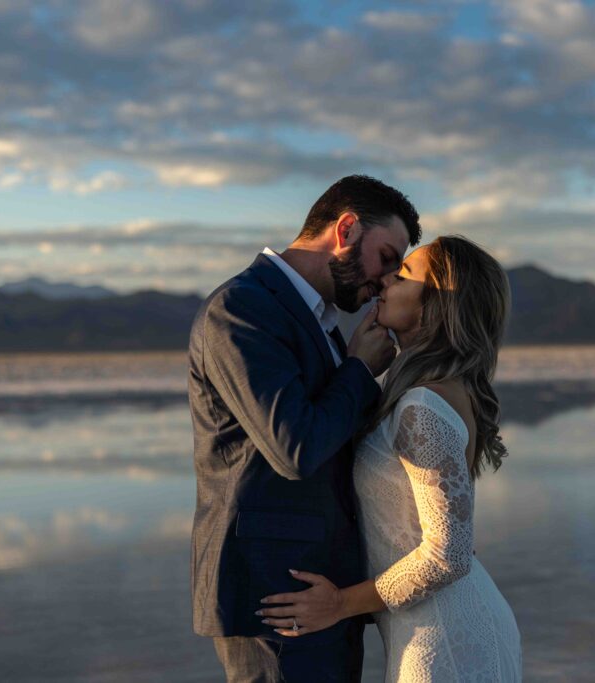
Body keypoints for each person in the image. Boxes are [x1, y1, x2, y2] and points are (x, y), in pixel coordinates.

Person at [256, 236, 523, 681]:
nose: (382, 282)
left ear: (437, 303)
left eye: (402, 277)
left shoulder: (424, 404)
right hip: (433, 624)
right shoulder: (428, 392)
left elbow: (449, 555)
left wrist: (340, 604)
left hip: (445, 637)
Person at [188, 175, 421, 682]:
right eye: (386, 258)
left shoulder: (318, 319)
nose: (385, 280)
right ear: (346, 228)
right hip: (277, 600)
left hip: (323, 596)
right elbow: (294, 447)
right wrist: (358, 370)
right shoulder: (243, 308)